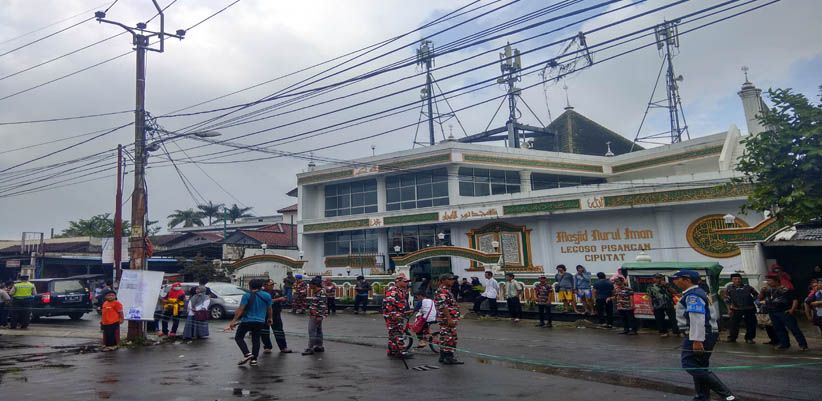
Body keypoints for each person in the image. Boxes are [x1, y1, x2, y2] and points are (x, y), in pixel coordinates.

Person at [672, 270, 737, 401]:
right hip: (706, 333)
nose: (674, 281)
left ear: (687, 280)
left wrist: (697, 340)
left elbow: (697, 318)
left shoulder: (693, 296)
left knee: (689, 364)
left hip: (700, 334)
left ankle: (728, 396)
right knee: (700, 366)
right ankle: (702, 397)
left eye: (676, 278)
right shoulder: (696, 293)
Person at [227, 279, 273, 366]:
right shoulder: (267, 295)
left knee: (239, 337)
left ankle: (247, 354)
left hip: (247, 321)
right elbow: (269, 308)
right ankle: (254, 360)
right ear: (261, 286)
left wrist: (233, 320)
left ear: (250, 286)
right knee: (256, 340)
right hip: (260, 321)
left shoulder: (246, 296)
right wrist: (270, 318)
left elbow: (241, 309)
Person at [760, 273, 808, 350]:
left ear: (776, 281)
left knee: (794, 328)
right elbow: (760, 298)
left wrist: (792, 309)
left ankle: (803, 345)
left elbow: (795, 300)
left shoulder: (785, 290)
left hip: (784, 312)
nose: (768, 282)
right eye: (767, 281)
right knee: (779, 329)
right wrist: (762, 292)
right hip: (772, 312)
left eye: (769, 280)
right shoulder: (768, 290)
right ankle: (784, 344)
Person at [720, 273, 758, 344]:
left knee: (751, 324)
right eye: (735, 279)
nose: (737, 280)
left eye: (739, 279)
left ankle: (749, 338)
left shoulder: (748, 287)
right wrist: (729, 309)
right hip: (736, 309)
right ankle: (732, 338)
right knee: (733, 324)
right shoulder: (729, 288)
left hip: (749, 308)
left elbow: (756, 295)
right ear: (732, 280)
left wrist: (752, 300)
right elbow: (726, 299)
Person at [382, 273, 413, 359]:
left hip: (398, 314)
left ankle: (392, 350)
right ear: (398, 281)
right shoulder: (393, 291)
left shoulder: (401, 291)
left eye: (407, 281)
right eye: (405, 281)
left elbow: (400, 304)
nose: (407, 283)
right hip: (393, 316)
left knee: (394, 333)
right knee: (397, 332)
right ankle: (400, 351)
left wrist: (405, 312)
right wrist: (394, 315)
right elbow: (389, 305)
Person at [435, 273, 463, 365]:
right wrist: (449, 318)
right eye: (450, 279)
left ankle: (443, 356)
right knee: (449, 337)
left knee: (445, 337)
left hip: (448, 319)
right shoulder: (442, 291)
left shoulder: (446, 290)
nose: (452, 281)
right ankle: (448, 357)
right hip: (447, 319)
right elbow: (443, 306)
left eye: (453, 279)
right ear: (443, 280)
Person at [261, 279, 292, 354]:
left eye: (273, 284)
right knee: (264, 332)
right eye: (270, 285)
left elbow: (283, 298)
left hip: (276, 314)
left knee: (279, 331)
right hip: (264, 315)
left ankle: (283, 347)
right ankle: (267, 347)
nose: (272, 286)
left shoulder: (277, 292)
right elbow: (266, 302)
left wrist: (284, 299)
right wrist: (278, 299)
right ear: (265, 285)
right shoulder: (262, 293)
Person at [302, 276, 328, 355]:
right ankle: (319, 346)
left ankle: (310, 348)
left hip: (316, 315)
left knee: (312, 331)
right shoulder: (318, 292)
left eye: (310, 284)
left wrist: (319, 316)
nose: (309, 286)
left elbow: (323, 306)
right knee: (318, 331)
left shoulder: (321, 293)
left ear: (315, 285)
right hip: (316, 315)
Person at [648, 273, 680, 337]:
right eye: (657, 278)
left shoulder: (667, 284)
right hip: (657, 305)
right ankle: (663, 332)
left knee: (673, 318)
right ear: (654, 279)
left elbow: (675, 292)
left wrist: (666, 286)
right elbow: (649, 297)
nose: (658, 279)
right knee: (659, 319)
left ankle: (676, 332)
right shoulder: (651, 287)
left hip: (668, 303)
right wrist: (651, 306)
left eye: (660, 278)